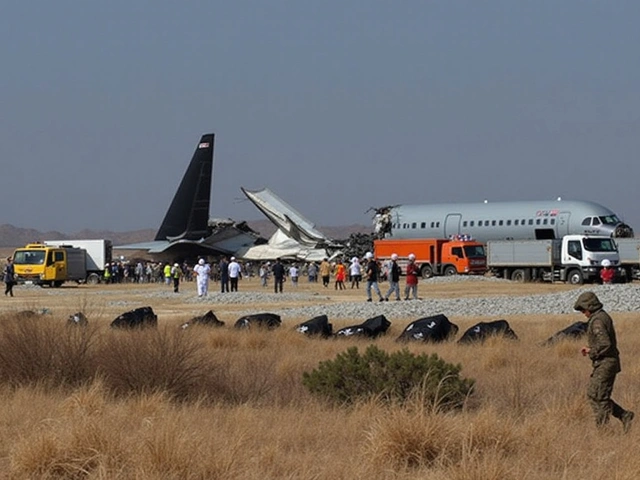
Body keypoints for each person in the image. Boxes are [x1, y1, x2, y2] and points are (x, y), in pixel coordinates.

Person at [574, 291, 634, 432]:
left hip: (606, 363)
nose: (583, 313)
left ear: (590, 306)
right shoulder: (602, 316)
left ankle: (604, 431)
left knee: (599, 397)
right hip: (606, 363)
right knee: (594, 394)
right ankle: (624, 415)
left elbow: (605, 344)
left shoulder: (597, 321)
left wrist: (591, 351)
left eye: (584, 309)